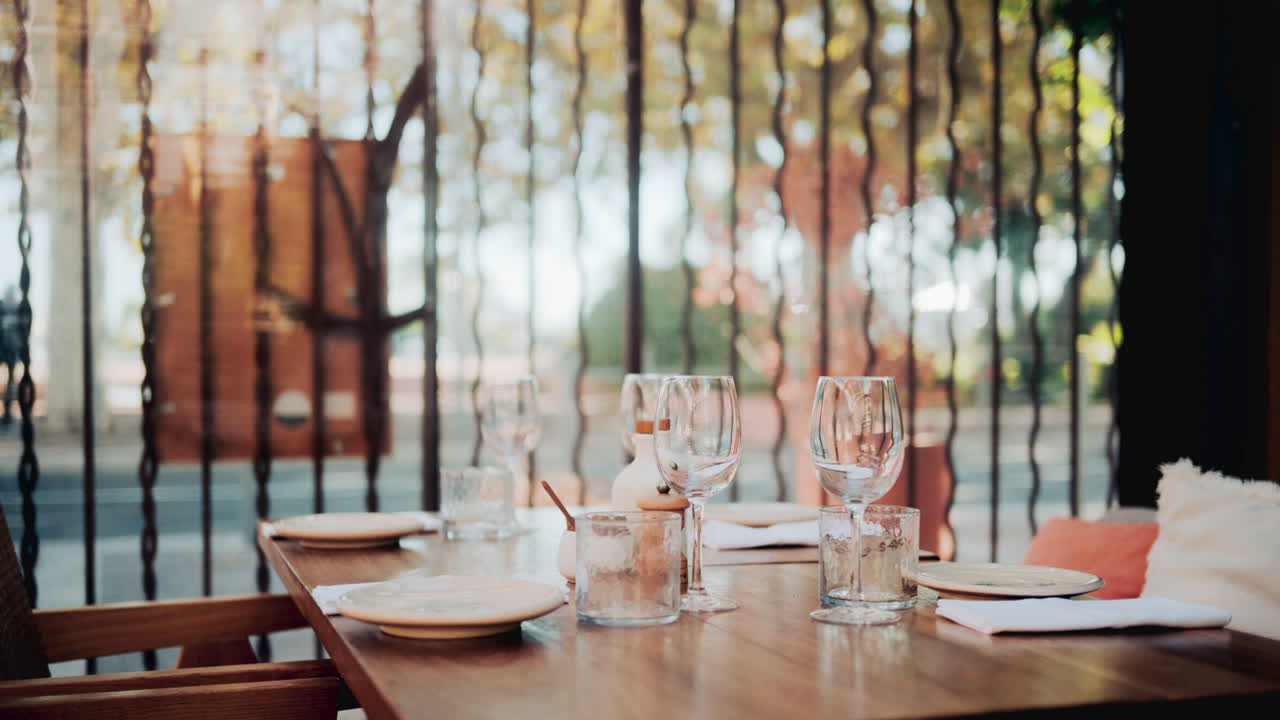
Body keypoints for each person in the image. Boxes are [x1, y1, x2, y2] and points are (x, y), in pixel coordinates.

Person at [0, 286, 19, 428]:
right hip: (3, 348)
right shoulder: (2, 306)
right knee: (10, 382)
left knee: (11, 382)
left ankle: (7, 412)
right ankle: (6, 413)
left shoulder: (18, 308)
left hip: (12, 350)